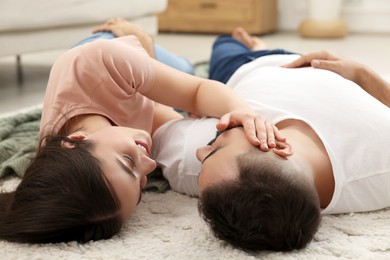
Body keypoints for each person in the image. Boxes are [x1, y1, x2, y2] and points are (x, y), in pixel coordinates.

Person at [0, 20, 283, 244]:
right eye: (140, 187)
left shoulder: (103, 64)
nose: (148, 164)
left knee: (199, 68)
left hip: (112, 52)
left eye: (128, 163)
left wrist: (245, 113)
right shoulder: (88, 165)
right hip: (133, 91)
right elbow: (175, 119)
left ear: (75, 141)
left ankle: (142, 38)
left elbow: (198, 92)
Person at [151, 27, 390, 251]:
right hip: (306, 62)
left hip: (242, 69)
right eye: (214, 151)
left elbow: (155, 112)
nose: (200, 152)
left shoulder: (194, 167)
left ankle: (249, 46)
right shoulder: (381, 167)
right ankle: (256, 45)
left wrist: (146, 49)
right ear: (276, 146)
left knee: (225, 42)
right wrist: (363, 74)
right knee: (233, 39)